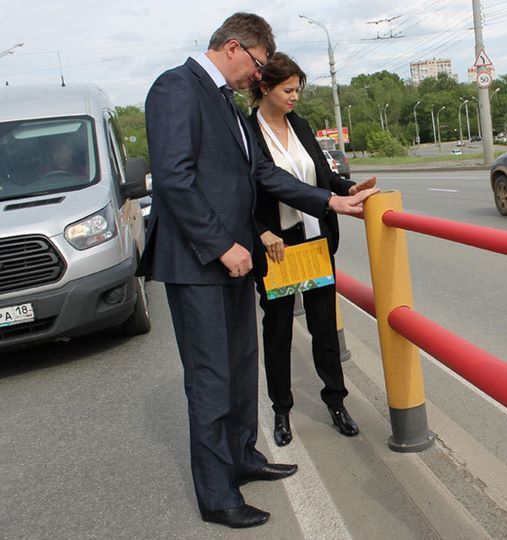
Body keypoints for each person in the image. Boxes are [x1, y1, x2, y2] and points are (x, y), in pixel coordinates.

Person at [138, 13, 377, 529]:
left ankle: (244, 456)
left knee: (242, 365)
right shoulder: (176, 87)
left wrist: (330, 201)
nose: (258, 75)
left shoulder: (224, 101)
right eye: (259, 63)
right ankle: (217, 494)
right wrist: (224, 244)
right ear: (233, 47)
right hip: (200, 262)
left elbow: (261, 175)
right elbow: (175, 181)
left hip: (233, 261)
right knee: (210, 378)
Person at [248, 53, 375, 447]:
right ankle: (281, 410)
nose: (295, 97)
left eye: (298, 90)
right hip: (278, 248)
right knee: (279, 331)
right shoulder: (246, 130)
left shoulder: (299, 125)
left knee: (325, 330)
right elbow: (241, 189)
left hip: (315, 240)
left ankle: (336, 403)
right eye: (288, 90)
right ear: (265, 88)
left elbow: (321, 175)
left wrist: (348, 190)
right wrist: (259, 231)